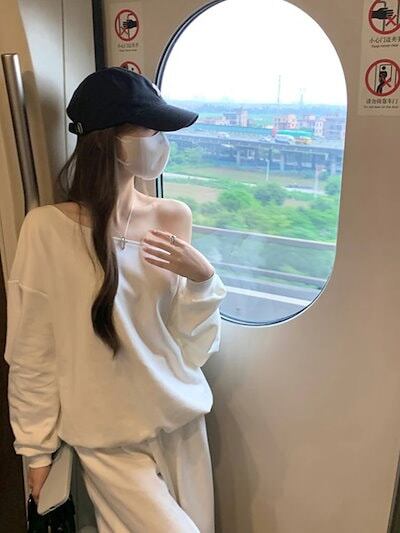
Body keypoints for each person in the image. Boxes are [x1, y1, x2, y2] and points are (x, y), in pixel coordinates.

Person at [4, 67, 227, 532]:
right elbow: (32, 353)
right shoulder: (46, 229)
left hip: (182, 423)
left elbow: (191, 348)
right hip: (107, 441)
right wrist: (35, 452)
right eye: (151, 129)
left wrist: (203, 281)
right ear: (111, 140)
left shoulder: (173, 216)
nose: (161, 141)